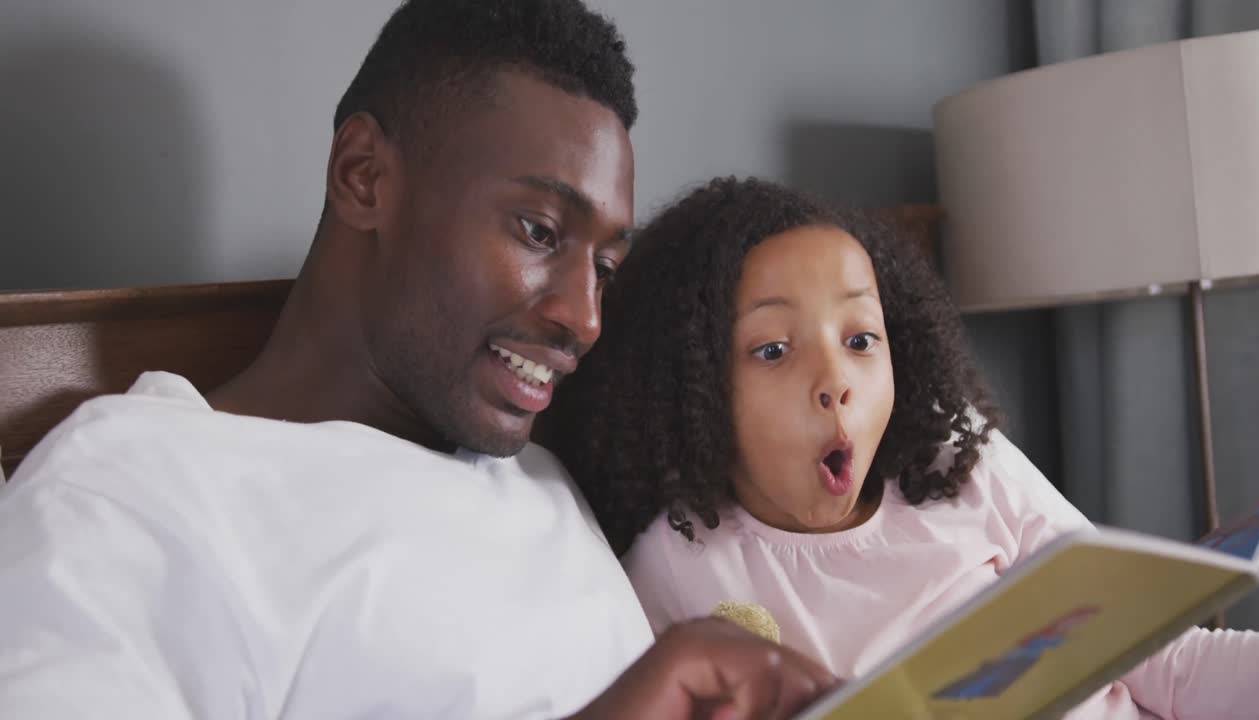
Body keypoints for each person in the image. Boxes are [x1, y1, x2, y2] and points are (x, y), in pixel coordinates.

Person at [0, 4, 837, 719]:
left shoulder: (541, 471)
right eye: (540, 232)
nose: (585, 318)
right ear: (363, 176)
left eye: (606, 267)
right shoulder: (129, 489)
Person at [544, 176, 1259, 719]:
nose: (835, 382)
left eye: (861, 340)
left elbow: (1172, 665)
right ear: (693, 385)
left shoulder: (957, 459)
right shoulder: (676, 567)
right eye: (772, 350)